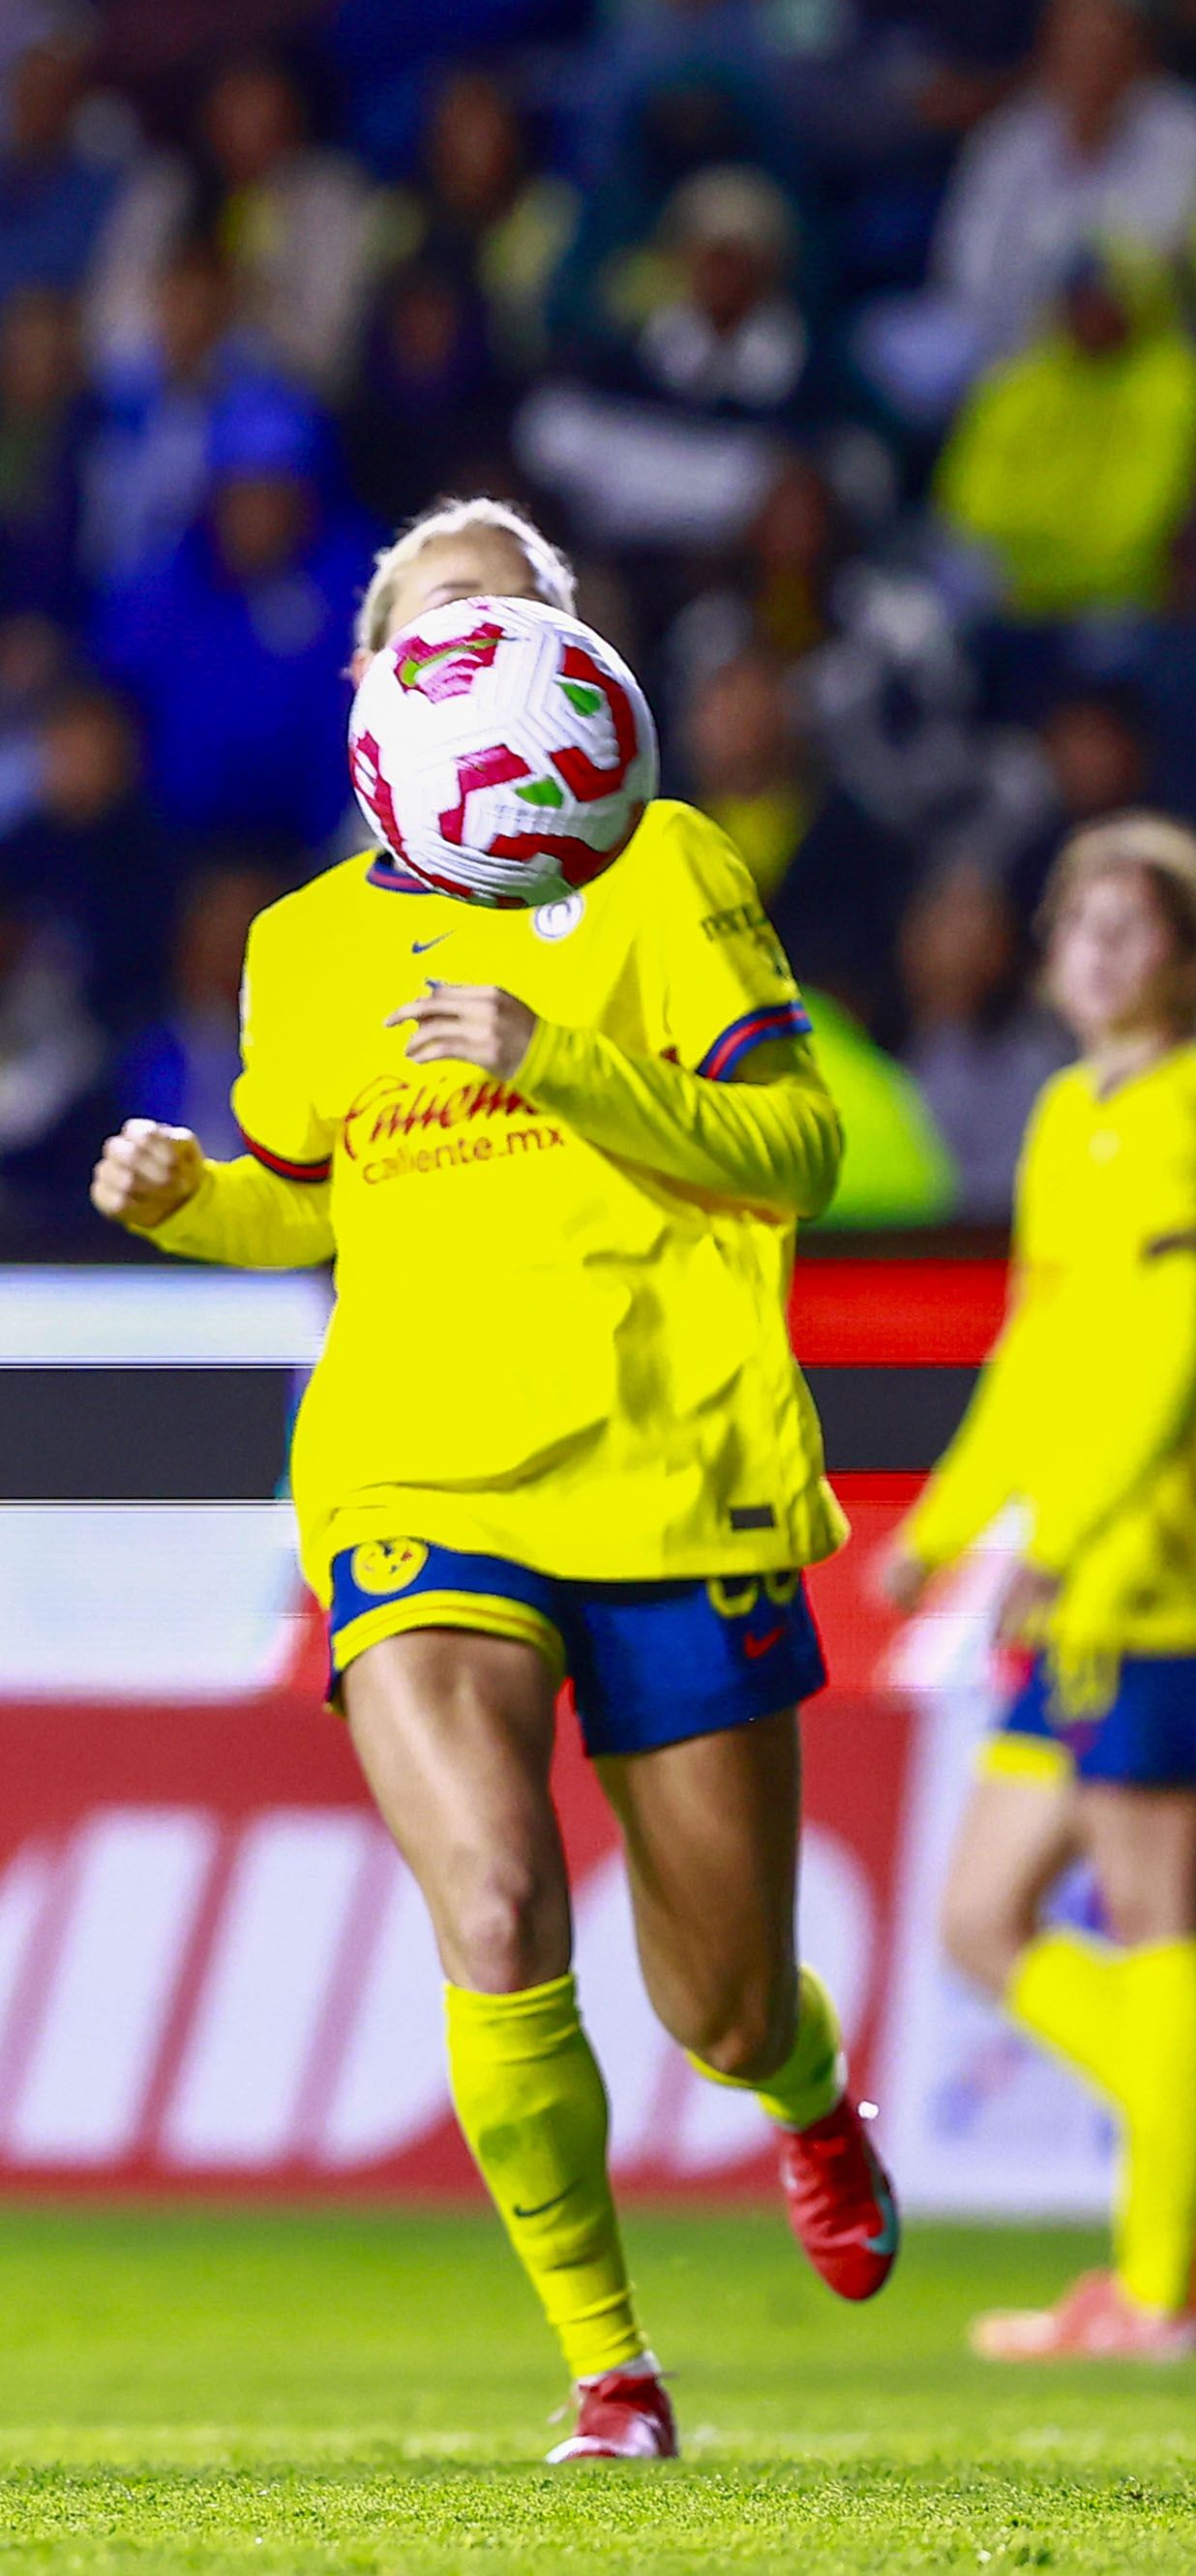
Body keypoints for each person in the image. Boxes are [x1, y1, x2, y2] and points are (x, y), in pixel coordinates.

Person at [86, 494, 897, 2465]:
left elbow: (797, 1156)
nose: (474, 646)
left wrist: (561, 1059)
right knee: (497, 1895)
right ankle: (608, 2368)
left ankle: (800, 2092)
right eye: (434, 622)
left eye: (510, 614)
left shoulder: (667, 869)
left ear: (571, 659)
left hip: (670, 1464)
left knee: (714, 2001)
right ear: (377, 685)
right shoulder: (309, 944)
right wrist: (190, 1201)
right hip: (415, 1471)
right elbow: (306, 1204)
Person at [910, 815, 1196, 2362]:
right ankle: (1178, 2136)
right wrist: (948, 1523)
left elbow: (1170, 1358)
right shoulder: (1066, 1113)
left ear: (1181, 960)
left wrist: (1064, 1533)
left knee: (1156, 1915)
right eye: (1078, 920)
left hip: (1161, 1583)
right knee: (978, 1915)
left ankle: (1156, 2296)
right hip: (1077, 1582)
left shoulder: (1184, 1114)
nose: (1096, 946)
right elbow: (1038, 1349)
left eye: (1131, 924)